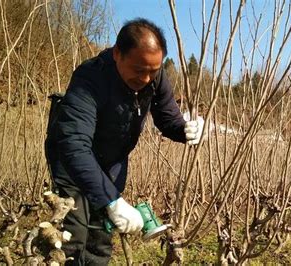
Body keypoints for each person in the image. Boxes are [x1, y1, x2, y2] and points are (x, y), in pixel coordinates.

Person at [45, 18, 203, 265]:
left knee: (100, 238)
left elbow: (167, 117)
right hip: (72, 163)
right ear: (118, 53)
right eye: (139, 70)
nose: (147, 78)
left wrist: (185, 130)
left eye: (154, 71)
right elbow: (74, 142)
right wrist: (111, 199)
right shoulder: (90, 78)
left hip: (111, 162)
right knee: (73, 237)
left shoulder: (153, 75)